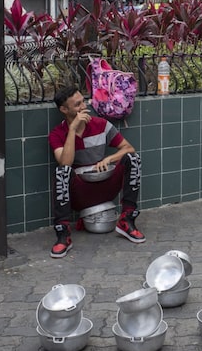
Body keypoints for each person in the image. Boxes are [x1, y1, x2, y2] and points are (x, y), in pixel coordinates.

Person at [48, 86, 145, 258]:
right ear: (64, 109)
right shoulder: (57, 134)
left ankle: (127, 220)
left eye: (83, 102)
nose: (83, 107)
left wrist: (109, 159)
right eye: (77, 105)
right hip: (80, 193)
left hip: (105, 185)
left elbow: (129, 148)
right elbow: (65, 162)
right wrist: (72, 130)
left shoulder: (101, 125)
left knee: (133, 158)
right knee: (61, 171)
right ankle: (63, 235)